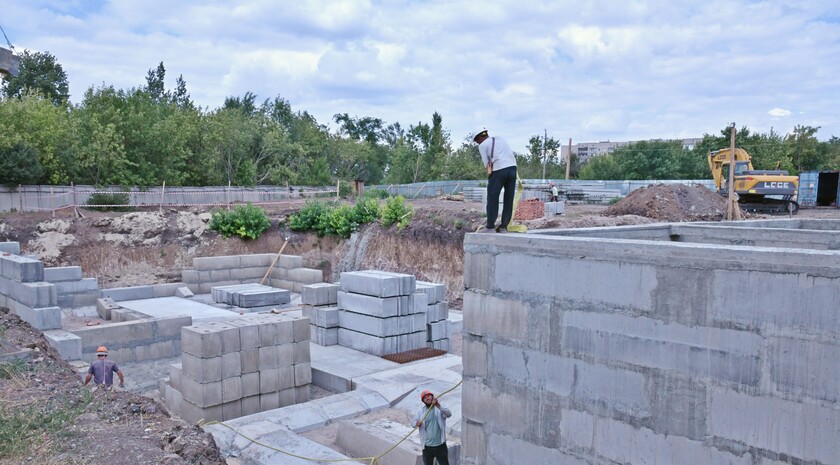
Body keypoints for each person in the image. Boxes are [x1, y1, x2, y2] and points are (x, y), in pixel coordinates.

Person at [472, 128, 517, 233]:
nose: (477, 143)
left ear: (479, 137)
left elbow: (486, 164)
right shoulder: (500, 139)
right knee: (508, 198)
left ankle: (490, 227)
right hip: (513, 169)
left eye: (476, 141)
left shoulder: (482, 145)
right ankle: (503, 227)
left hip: (499, 170)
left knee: (492, 197)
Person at [414, 390, 452, 465]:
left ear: (432, 396)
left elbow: (449, 414)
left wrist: (438, 405)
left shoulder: (439, 408)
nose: (427, 398)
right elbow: (413, 422)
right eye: (425, 398)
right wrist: (416, 423)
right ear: (423, 401)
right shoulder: (421, 411)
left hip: (440, 445)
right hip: (427, 447)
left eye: (428, 396)